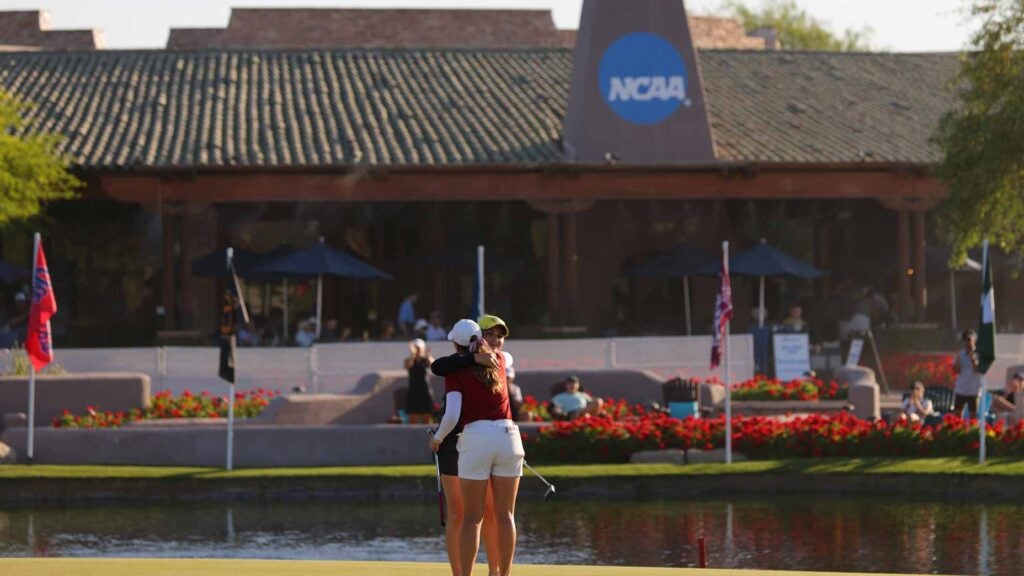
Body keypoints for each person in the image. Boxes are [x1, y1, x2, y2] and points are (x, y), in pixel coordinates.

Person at [430, 318, 523, 576]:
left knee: (472, 518)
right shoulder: (501, 360)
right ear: (480, 338)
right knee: (505, 516)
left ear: (454, 344)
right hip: (509, 436)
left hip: (476, 437)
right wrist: (480, 355)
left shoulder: (455, 371)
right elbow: (497, 353)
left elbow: (439, 372)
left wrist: (436, 439)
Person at [952, 329, 984, 419]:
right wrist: (958, 360)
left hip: (974, 390)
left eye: (970, 340)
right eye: (966, 340)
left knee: (973, 416)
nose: (968, 342)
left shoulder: (979, 354)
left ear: (974, 340)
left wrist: (972, 358)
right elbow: (956, 371)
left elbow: (977, 370)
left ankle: (972, 432)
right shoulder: (959, 354)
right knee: (957, 415)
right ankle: (958, 432)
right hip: (961, 389)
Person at [404, 338, 435, 424]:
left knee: (426, 415)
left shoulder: (425, 360)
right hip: (413, 390)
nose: (417, 350)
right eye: (416, 348)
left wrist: (428, 355)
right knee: (412, 414)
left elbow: (433, 365)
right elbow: (408, 366)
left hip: (425, 390)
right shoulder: (409, 360)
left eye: (419, 348)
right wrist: (412, 355)